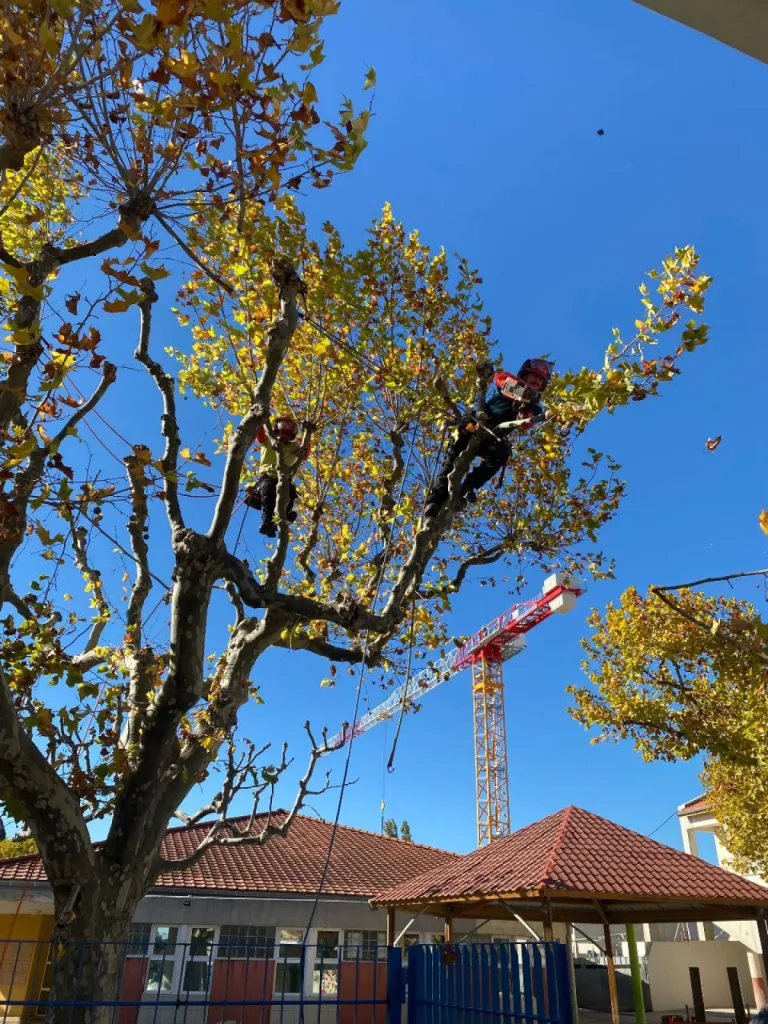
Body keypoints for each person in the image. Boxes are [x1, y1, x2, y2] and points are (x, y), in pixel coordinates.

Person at [424, 358, 552, 519]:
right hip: (473, 426)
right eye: (534, 376)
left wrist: (526, 408)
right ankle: (434, 503)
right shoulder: (510, 380)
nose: (537, 380)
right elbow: (501, 380)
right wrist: (524, 395)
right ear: (525, 375)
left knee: (502, 454)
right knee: (451, 463)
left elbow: (526, 424)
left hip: (491, 439)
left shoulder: (535, 406)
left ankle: (467, 488)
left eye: (541, 380)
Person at [245, 416, 315, 536]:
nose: (285, 437)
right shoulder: (268, 440)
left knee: (289, 495)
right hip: (268, 477)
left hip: (285, 478)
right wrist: (261, 416)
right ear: (276, 431)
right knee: (268, 494)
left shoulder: (293, 447)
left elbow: (304, 454)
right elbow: (260, 434)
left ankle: (283, 519)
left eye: (288, 435)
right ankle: (268, 522)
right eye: (282, 433)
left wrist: (307, 433)